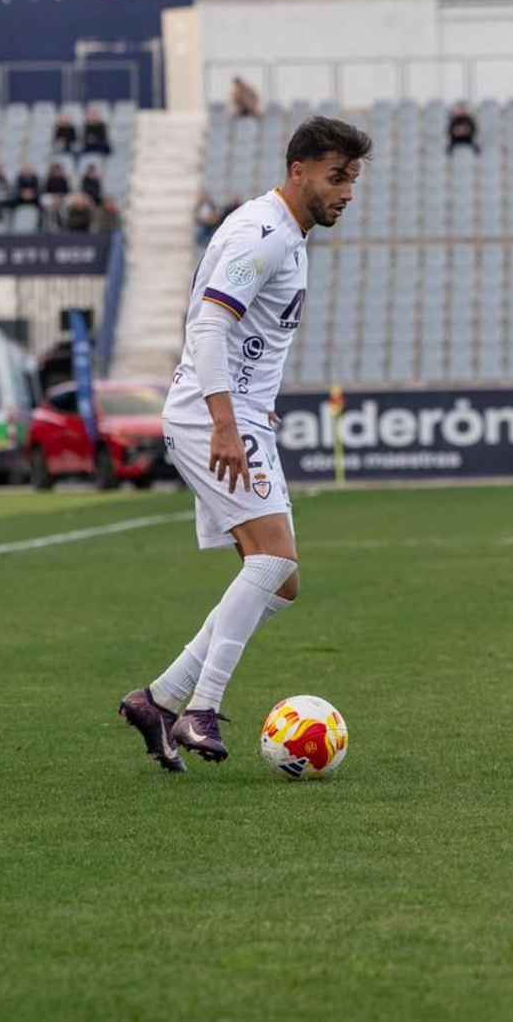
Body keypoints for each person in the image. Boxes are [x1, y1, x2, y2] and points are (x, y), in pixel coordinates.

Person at [118, 116, 373, 772]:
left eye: (352, 179)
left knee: (279, 582)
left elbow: (246, 334)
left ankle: (160, 698)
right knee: (270, 559)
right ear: (299, 171)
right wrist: (227, 423)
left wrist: (255, 405)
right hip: (213, 418)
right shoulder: (263, 233)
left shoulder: (286, 234)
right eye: (335, 177)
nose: (345, 192)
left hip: (239, 413)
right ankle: (201, 706)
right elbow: (208, 325)